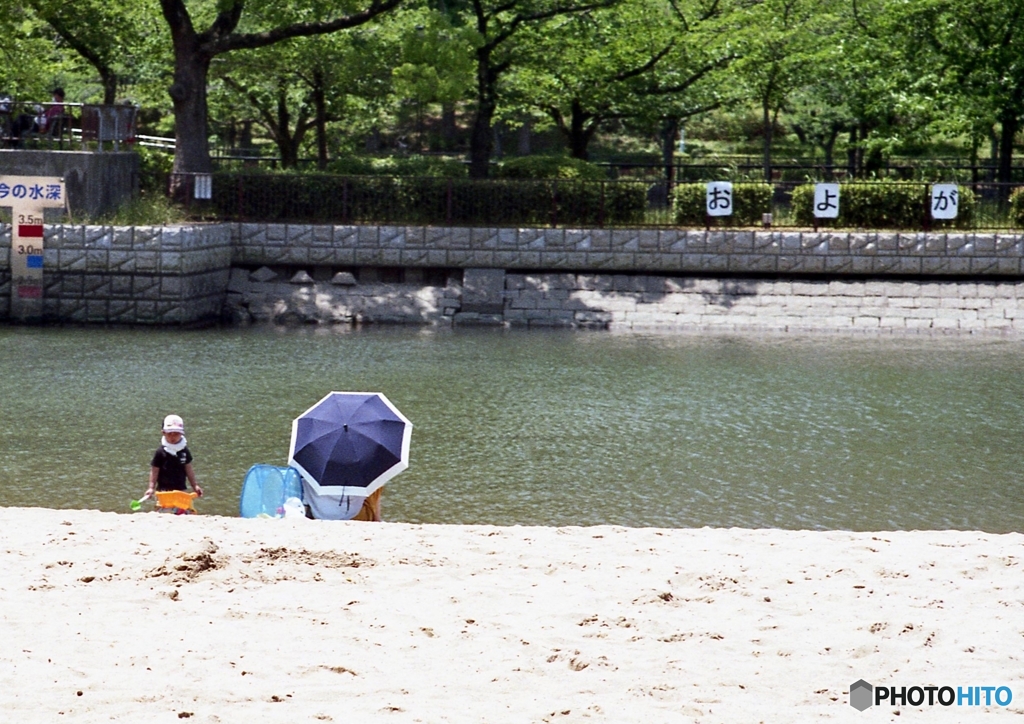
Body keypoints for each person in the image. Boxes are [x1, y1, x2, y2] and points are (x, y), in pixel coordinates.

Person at [140, 414, 203, 506]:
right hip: (163, 489)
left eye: (176, 434)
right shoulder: (160, 452)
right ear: (163, 433)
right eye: (169, 434)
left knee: (181, 508)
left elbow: (189, 469)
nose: (172, 437)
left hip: (180, 488)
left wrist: (195, 485)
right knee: (163, 508)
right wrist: (151, 487)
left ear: (181, 433)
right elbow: (154, 471)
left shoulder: (184, 451)